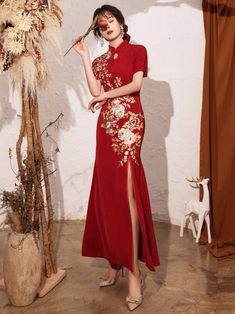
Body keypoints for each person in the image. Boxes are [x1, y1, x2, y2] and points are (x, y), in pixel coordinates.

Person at [73, 5, 160, 311]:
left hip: (130, 127)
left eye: (110, 20)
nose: (106, 25)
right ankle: (115, 262)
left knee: (127, 196)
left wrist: (102, 97)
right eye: (101, 24)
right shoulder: (98, 60)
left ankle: (134, 274)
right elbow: (95, 88)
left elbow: (135, 86)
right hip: (106, 128)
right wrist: (84, 56)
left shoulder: (137, 50)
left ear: (121, 23)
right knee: (108, 195)